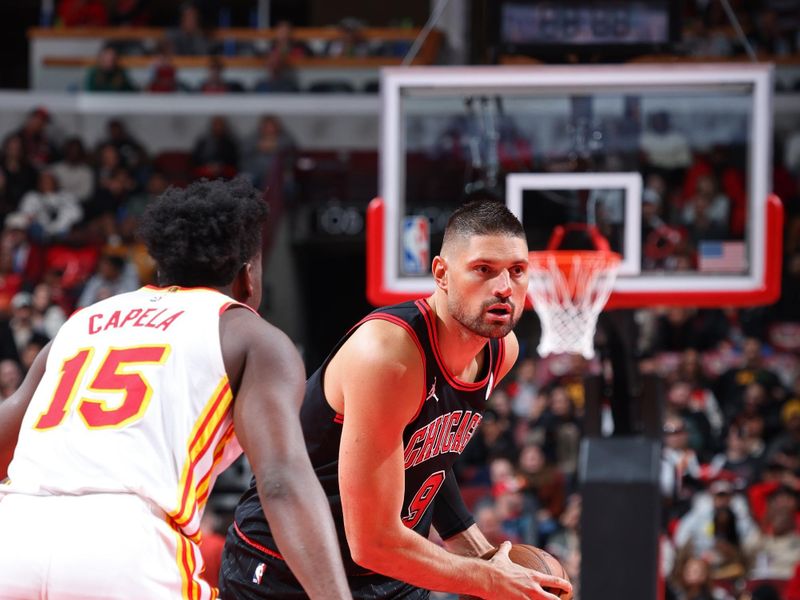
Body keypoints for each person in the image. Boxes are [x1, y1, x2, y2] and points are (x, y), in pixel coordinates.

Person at [0, 178, 350, 599]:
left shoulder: (82, 322)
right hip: (126, 545)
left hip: (15, 532)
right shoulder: (248, 334)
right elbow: (280, 480)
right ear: (247, 275)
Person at [222, 199, 572, 599]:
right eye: (483, 270)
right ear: (441, 273)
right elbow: (371, 542)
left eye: (517, 271)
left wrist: (479, 551)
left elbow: (428, 461)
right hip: (288, 569)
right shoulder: (389, 356)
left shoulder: (500, 351)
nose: (504, 287)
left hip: (390, 570)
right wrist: (488, 578)